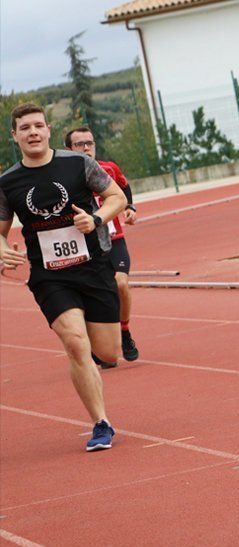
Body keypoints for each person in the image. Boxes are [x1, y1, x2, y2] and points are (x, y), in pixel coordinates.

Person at [0, 103, 128, 451]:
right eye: (25, 128)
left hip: (93, 266)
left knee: (109, 352)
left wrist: (96, 219)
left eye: (38, 126)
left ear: (48, 130)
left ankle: (91, 352)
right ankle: (101, 423)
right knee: (75, 343)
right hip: (49, 275)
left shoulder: (77, 163)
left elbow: (115, 196)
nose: (33, 132)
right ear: (15, 136)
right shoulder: (8, 182)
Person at [65, 127, 139, 362]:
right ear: (69, 150)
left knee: (121, 284)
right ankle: (99, 344)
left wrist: (129, 208)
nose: (86, 148)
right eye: (79, 144)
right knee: (91, 296)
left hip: (114, 238)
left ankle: (125, 331)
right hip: (85, 245)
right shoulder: (64, 177)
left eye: (90, 143)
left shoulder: (109, 168)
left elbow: (124, 188)